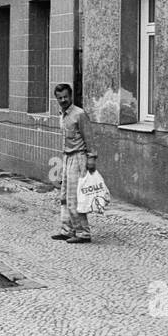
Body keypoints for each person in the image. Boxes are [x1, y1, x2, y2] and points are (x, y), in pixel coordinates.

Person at [51, 84, 94, 244]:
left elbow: (89, 137)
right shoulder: (62, 114)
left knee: (75, 197)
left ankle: (83, 233)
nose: (63, 100)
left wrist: (91, 158)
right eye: (59, 98)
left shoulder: (79, 114)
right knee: (64, 196)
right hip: (67, 157)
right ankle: (67, 230)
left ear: (71, 96)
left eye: (65, 97)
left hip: (79, 158)